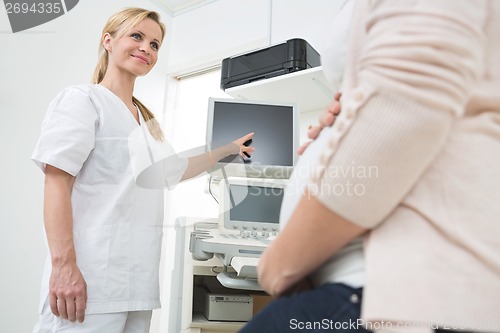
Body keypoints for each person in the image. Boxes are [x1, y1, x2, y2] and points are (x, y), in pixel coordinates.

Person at [241, 0, 500, 332]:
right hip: (367, 284)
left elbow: (405, 110)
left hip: (389, 291)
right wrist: (343, 123)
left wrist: (280, 264)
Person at [31, 7, 254, 333]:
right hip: (90, 281)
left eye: (154, 44)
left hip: (138, 284)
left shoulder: (145, 124)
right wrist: (63, 267)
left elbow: (174, 169)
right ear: (108, 41)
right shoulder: (83, 100)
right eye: (137, 36)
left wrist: (228, 150)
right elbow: (56, 182)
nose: (146, 49)